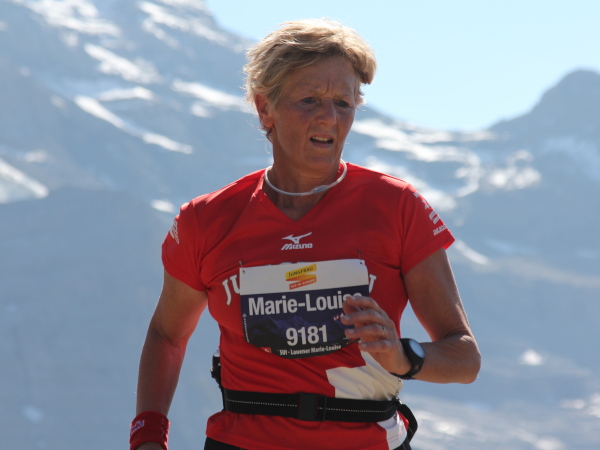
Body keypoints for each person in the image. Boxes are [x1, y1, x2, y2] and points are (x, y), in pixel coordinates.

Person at [130, 18, 481, 450]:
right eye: (309, 99)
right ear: (265, 108)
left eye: (343, 103)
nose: (328, 117)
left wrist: (402, 355)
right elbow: (167, 335)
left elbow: (464, 356)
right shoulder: (205, 220)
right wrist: (148, 436)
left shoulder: (397, 207)